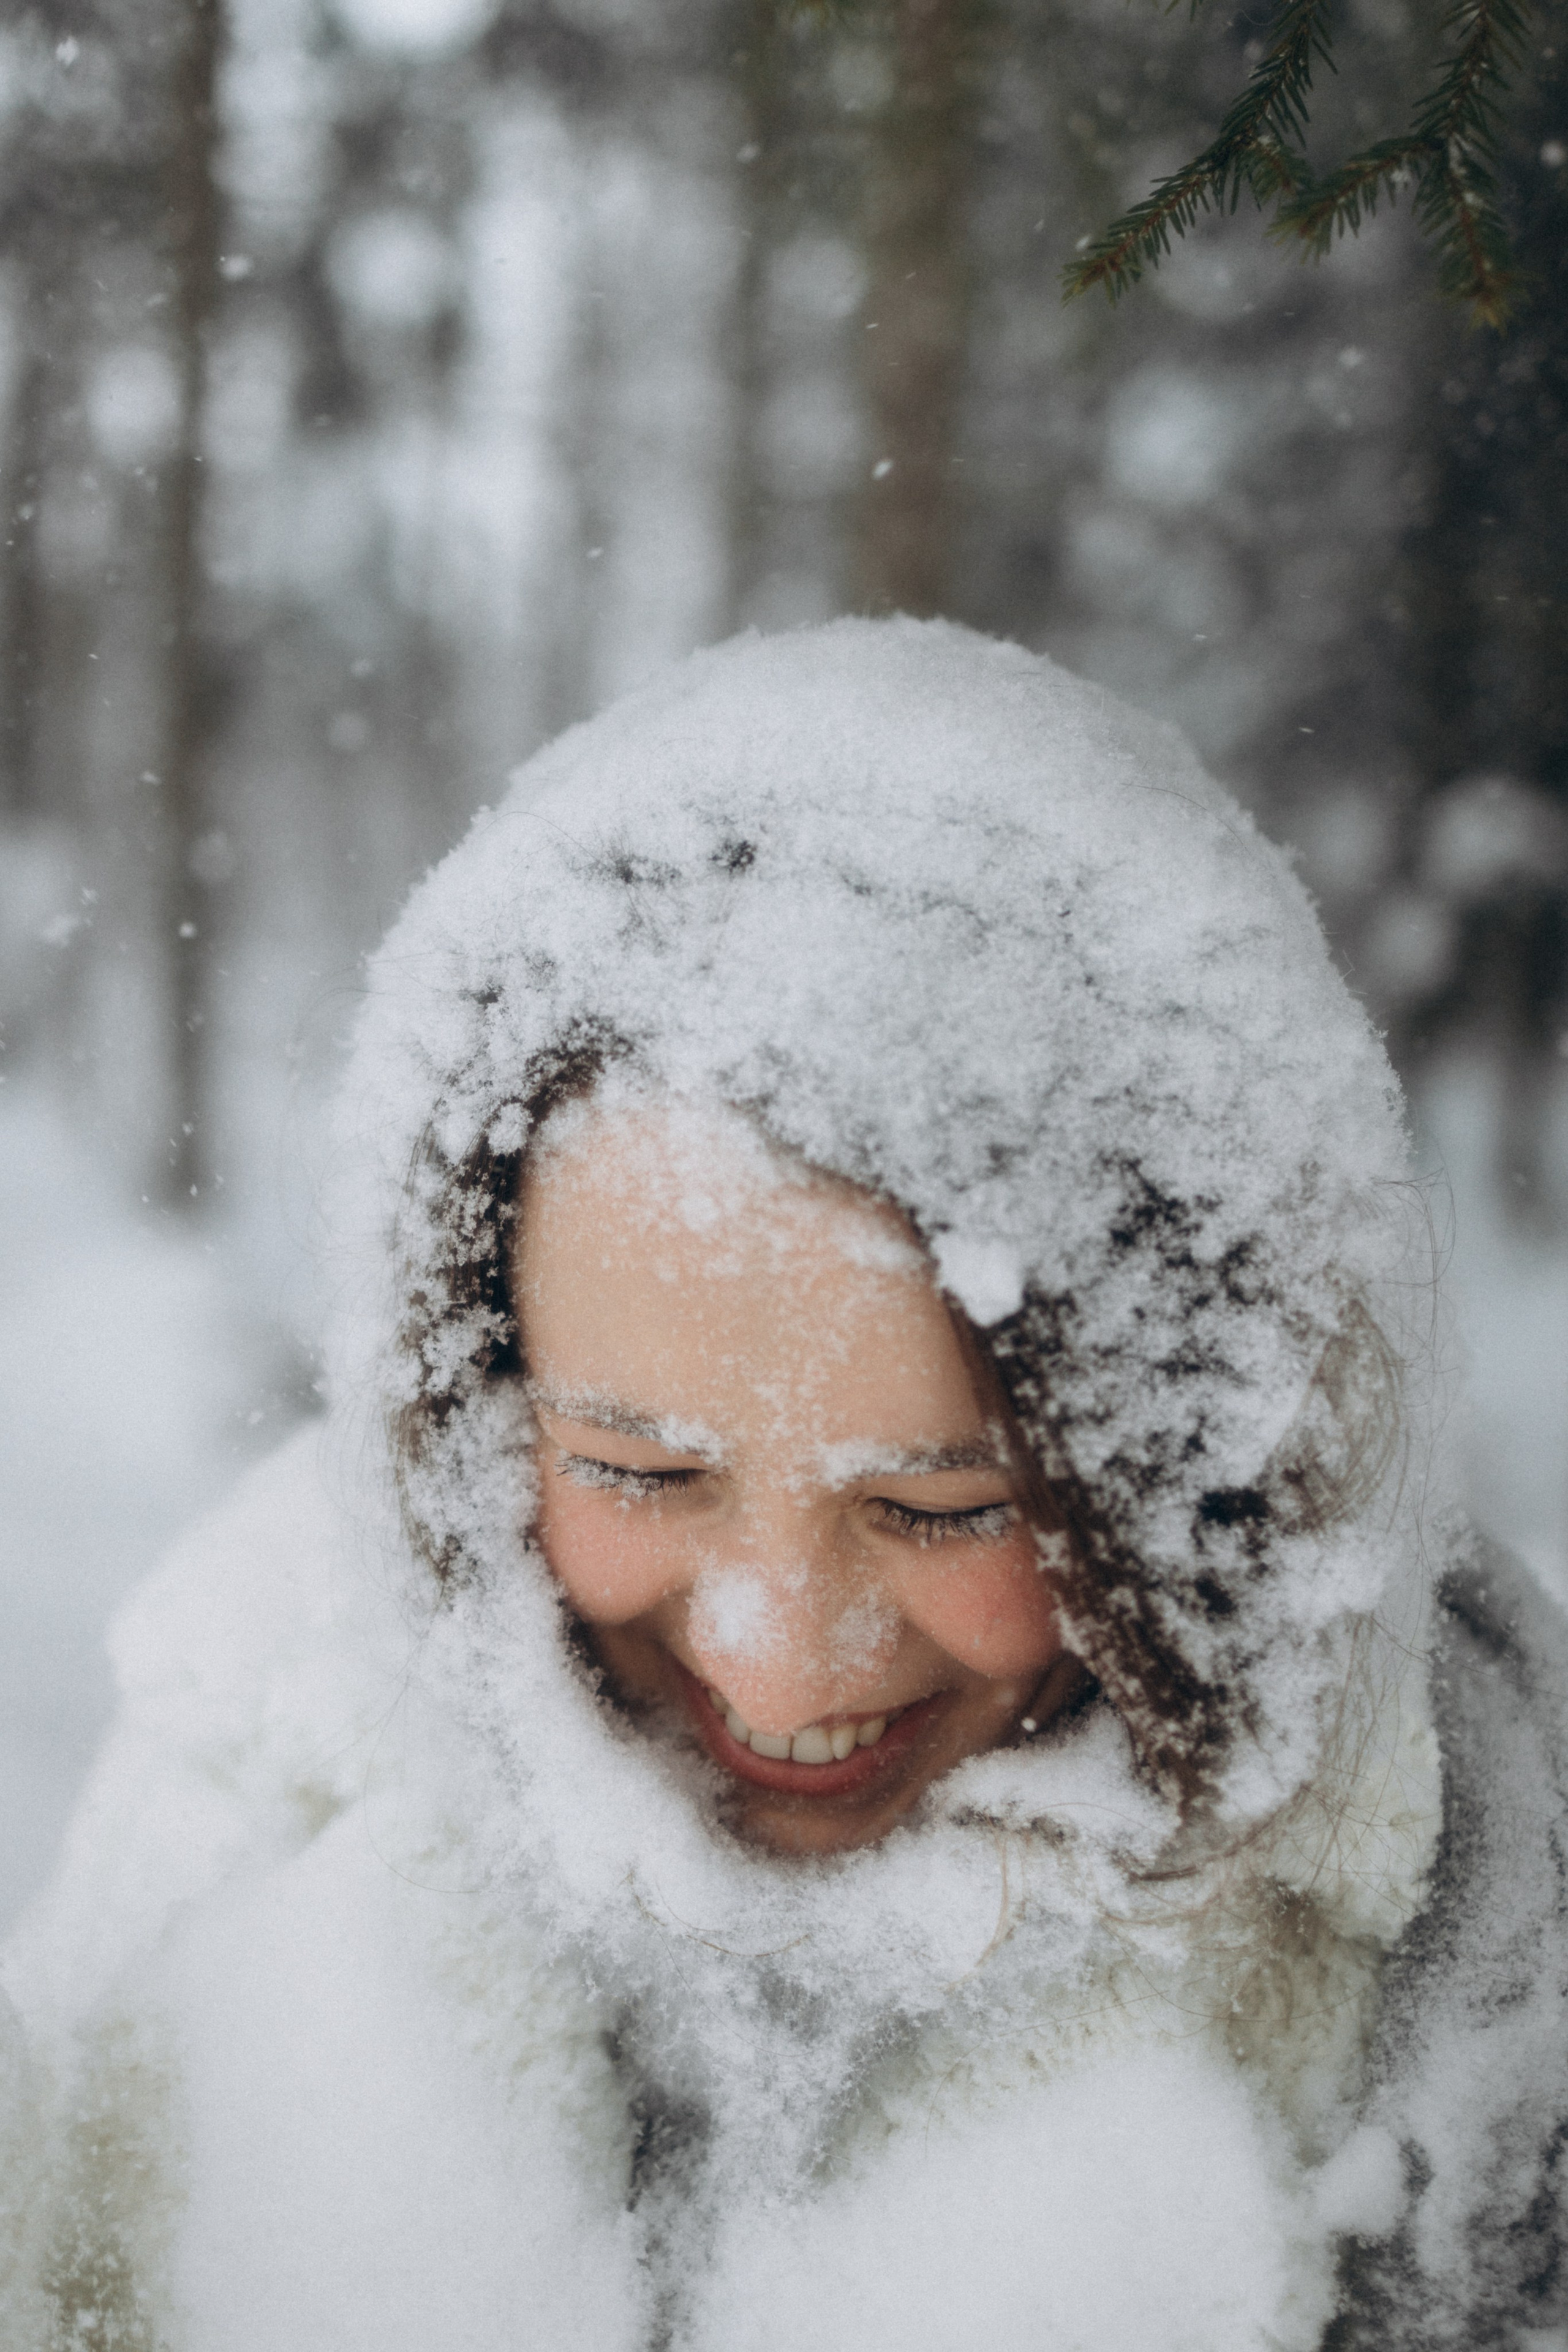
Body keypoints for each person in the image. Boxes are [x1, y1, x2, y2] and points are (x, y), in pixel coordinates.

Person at [5, 619, 1566, 2352]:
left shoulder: (1476, 1937)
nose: (781, 1661)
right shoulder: (243, 1794)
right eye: (641, 1469)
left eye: (943, 1506)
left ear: (1200, 1474)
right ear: (477, 1405)